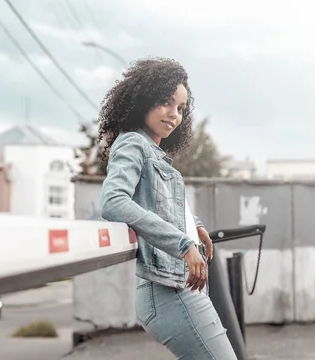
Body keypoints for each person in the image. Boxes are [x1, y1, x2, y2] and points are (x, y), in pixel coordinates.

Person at [98, 57, 237, 359]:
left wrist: (194, 225)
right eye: (166, 102)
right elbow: (114, 201)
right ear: (143, 99)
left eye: (181, 108)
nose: (174, 115)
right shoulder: (133, 143)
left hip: (181, 287)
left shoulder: (155, 153)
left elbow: (160, 203)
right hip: (167, 291)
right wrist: (183, 243)